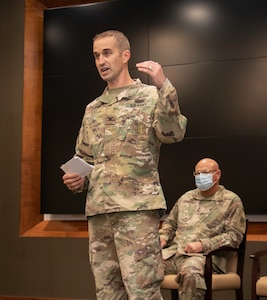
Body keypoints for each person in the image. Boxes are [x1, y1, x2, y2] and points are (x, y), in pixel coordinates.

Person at [62, 30, 187, 300]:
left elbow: (173, 133)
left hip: (136, 212)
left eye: (107, 53)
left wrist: (164, 86)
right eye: (96, 55)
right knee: (107, 292)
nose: (100, 61)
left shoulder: (150, 96)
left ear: (125, 55)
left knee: (143, 291)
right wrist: (77, 180)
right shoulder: (93, 108)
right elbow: (84, 158)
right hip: (99, 212)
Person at [159, 157, 246, 300]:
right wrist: (162, 238)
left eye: (204, 173)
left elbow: (234, 236)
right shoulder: (186, 198)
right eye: (197, 174)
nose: (200, 177)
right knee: (142, 266)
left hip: (204, 258)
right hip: (174, 253)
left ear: (217, 174)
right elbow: (170, 224)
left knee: (190, 273)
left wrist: (203, 245)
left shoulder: (231, 201)